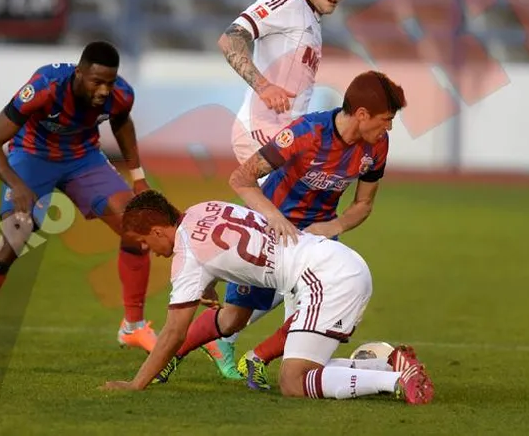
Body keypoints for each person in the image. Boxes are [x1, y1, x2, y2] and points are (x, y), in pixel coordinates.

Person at [161, 70, 405, 389]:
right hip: (269, 230)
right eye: (385, 119)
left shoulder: (377, 147)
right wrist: (274, 216)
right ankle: (172, 355)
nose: (388, 127)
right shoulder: (307, 133)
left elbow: (364, 204)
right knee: (234, 316)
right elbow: (242, 178)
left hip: (317, 239)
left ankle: (258, 358)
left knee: (309, 313)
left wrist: (335, 224)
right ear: (361, 114)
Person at [101, 191, 434, 405]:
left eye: (144, 240)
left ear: (158, 231)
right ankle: (388, 363)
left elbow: (174, 331)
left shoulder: (187, 257)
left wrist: (136, 384)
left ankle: (395, 381)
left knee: (292, 382)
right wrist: (206, 284)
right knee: (305, 368)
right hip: (335, 261)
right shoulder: (202, 207)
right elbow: (217, 246)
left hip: (323, 278)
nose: (147, 249)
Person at [0, 41, 157, 357]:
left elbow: (121, 120)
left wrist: (138, 177)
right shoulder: (44, 86)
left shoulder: (121, 94)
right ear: (79, 73)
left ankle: (133, 327)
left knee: (135, 225)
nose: (104, 90)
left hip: (83, 158)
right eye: (97, 81)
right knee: (16, 235)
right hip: (32, 156)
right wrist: (17, 185)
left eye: (109, 82)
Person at [206, 0, 350, 378]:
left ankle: (226, 322)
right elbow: (230, 37)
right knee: (308, 253)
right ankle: (293, 354)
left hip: (285, 142)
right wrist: (263, 85)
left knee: (291, 254)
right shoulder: (288, 1)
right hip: (262, 137)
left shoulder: (311, 18)